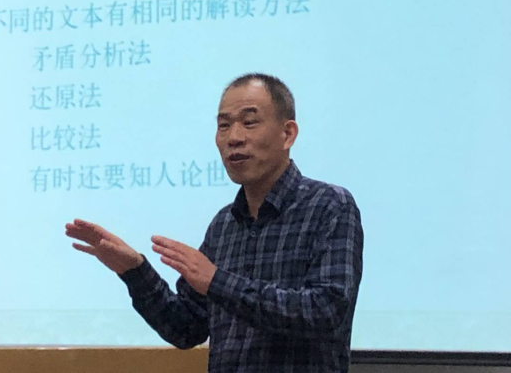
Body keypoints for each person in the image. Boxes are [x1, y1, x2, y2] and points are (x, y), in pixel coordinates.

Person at [66, 73, 363, 373]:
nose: (234, 137)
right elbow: (186, 328)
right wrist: (134, 271)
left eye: (249, 122)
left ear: (287, 134)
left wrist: (217, 281)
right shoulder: (224, 225)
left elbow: (325, 310)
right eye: (224, 125)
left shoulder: (329, 205)